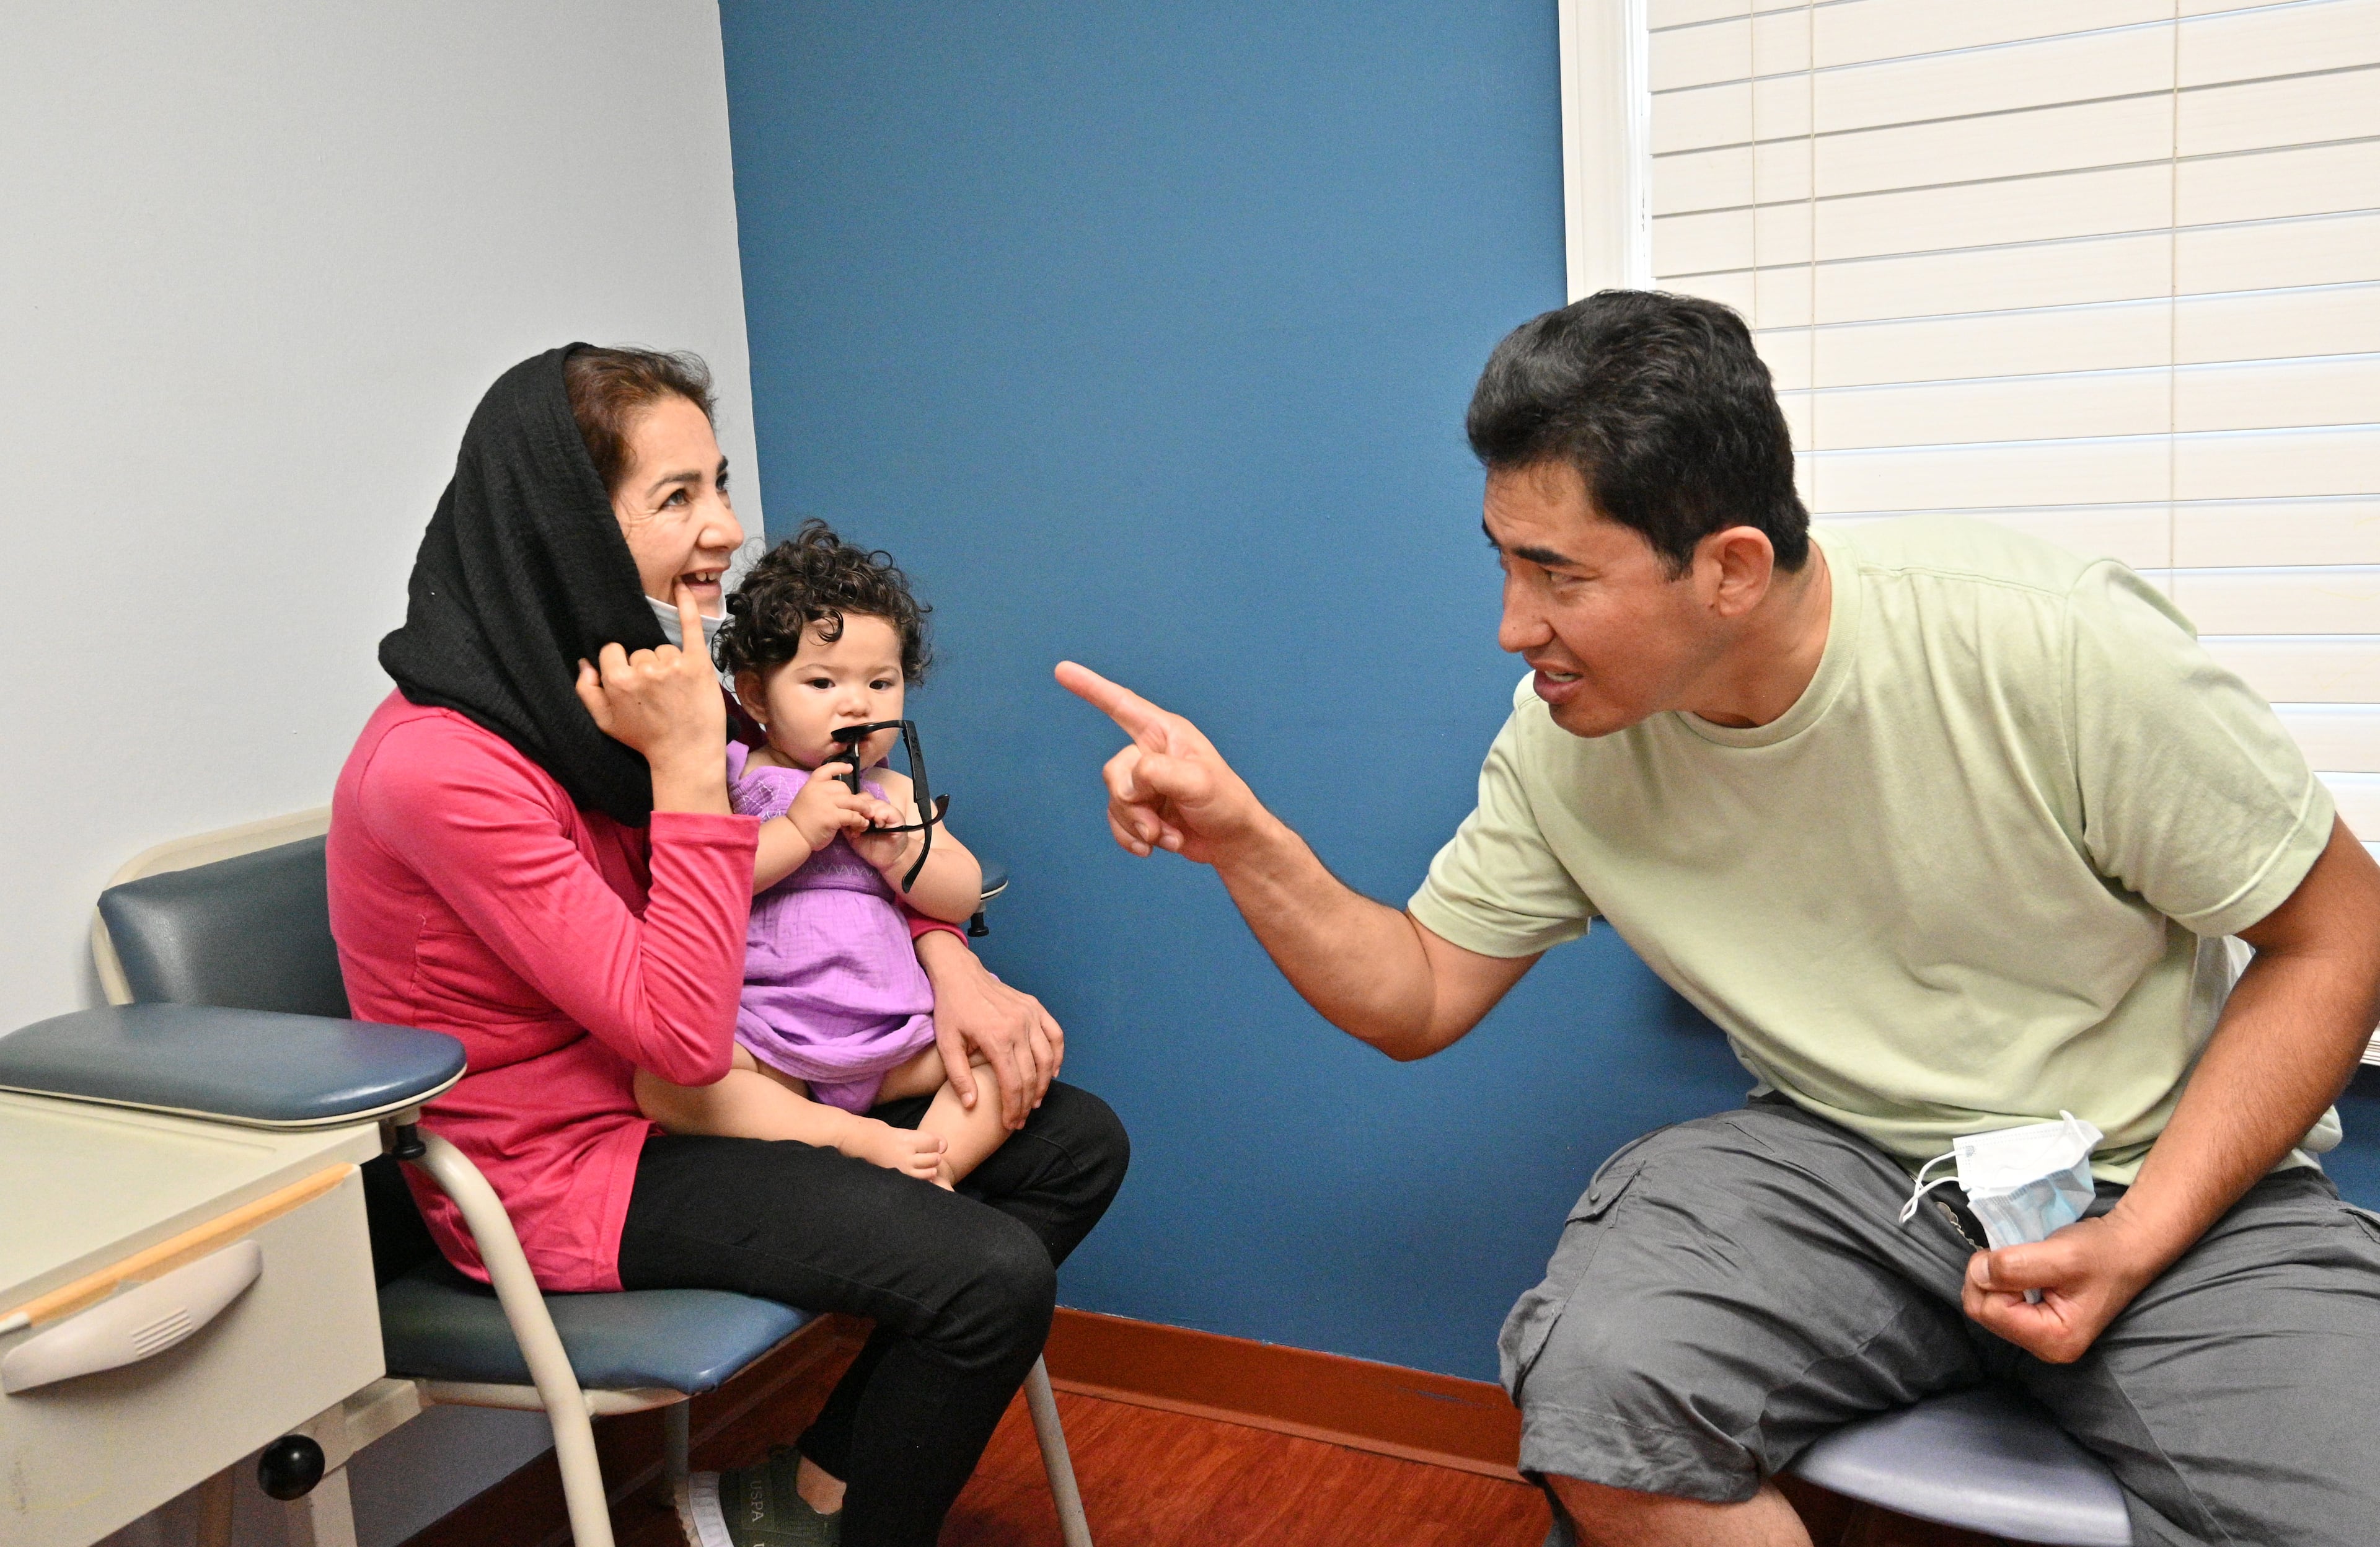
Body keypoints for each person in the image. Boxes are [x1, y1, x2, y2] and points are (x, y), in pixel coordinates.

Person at [1058, 291, 2380, 1547]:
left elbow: (2340, 931)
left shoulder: (2049, 644)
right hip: (1848, 1165)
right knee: (1600, 1389)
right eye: (1503, 563)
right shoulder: (1568, 744)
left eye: (1556, 574)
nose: (1514, 626)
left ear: (1731, 569)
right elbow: (1416, 996)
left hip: (2157, 1176)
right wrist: (1245, 842)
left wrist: (2138, 1238)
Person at [329, 343, 1126, 1547]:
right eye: (678, 497)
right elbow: (681, 1034)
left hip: (692, 1100)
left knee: (1071, 1142)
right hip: (567, 1171)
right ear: (561, 527)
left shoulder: (590, 695)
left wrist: (949, 957)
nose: (726, 528)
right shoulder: (447, 767)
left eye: (721, 484)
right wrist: (692, 765)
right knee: (984, 1280)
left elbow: (828, 850)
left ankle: (801, 1502)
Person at [632, 521, 1012, 1192]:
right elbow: (712, 884)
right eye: (821, 683)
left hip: (894, 1035)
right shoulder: (732, 777)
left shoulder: (896, 788)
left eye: (880, 682)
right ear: (755, 695)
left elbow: (962, 892)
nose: (856, 703)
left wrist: (899, 856)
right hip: (771, 1037)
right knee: (668, 1086)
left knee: (1006, 1055)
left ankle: (931, 1169)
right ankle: (850, 1139)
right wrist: (799, 832)